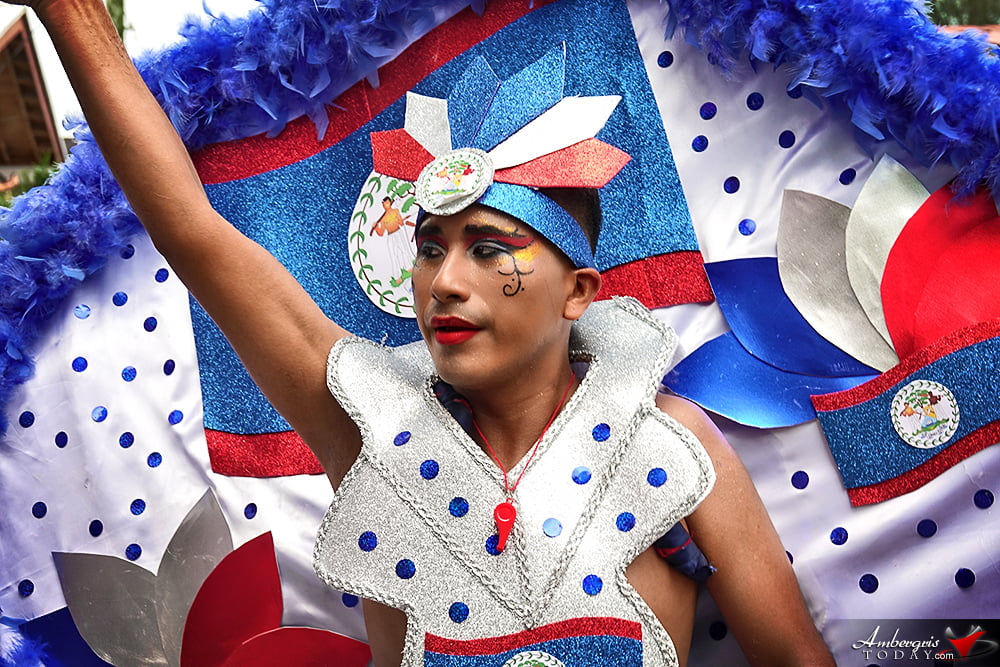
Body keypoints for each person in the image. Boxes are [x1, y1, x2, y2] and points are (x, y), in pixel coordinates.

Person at [11, 0, 836, 665]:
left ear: (578, 290)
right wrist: (74, 17)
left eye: (488, 250)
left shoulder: (672, 449)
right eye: (430, 249)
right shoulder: (370, 431)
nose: (445, 280)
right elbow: (192, 230)